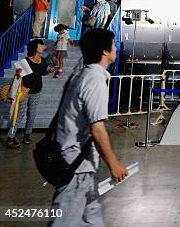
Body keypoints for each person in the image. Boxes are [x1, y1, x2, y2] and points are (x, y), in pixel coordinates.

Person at [48, 29, 128, 227]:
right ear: (104, 51)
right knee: (64, 221)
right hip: (75, 166)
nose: (116, 48)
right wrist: (114, 164)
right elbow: (97, 130)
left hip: (81, 164)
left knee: (91, 218)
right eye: (113, 44)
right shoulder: (94, 80)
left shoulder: (81, 74)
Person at [6, 38, 54, 148]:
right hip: (25, 91)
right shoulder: (25, 61)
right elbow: (21, 77)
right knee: (19, 114)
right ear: (35, 48)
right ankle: (10, 137)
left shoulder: (43, 61)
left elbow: (42, 73)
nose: (43, 47)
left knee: (32, 115)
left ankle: (27, 135)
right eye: (40, 45)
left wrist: (48, 71)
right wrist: (18, 74)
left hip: (37, 91)